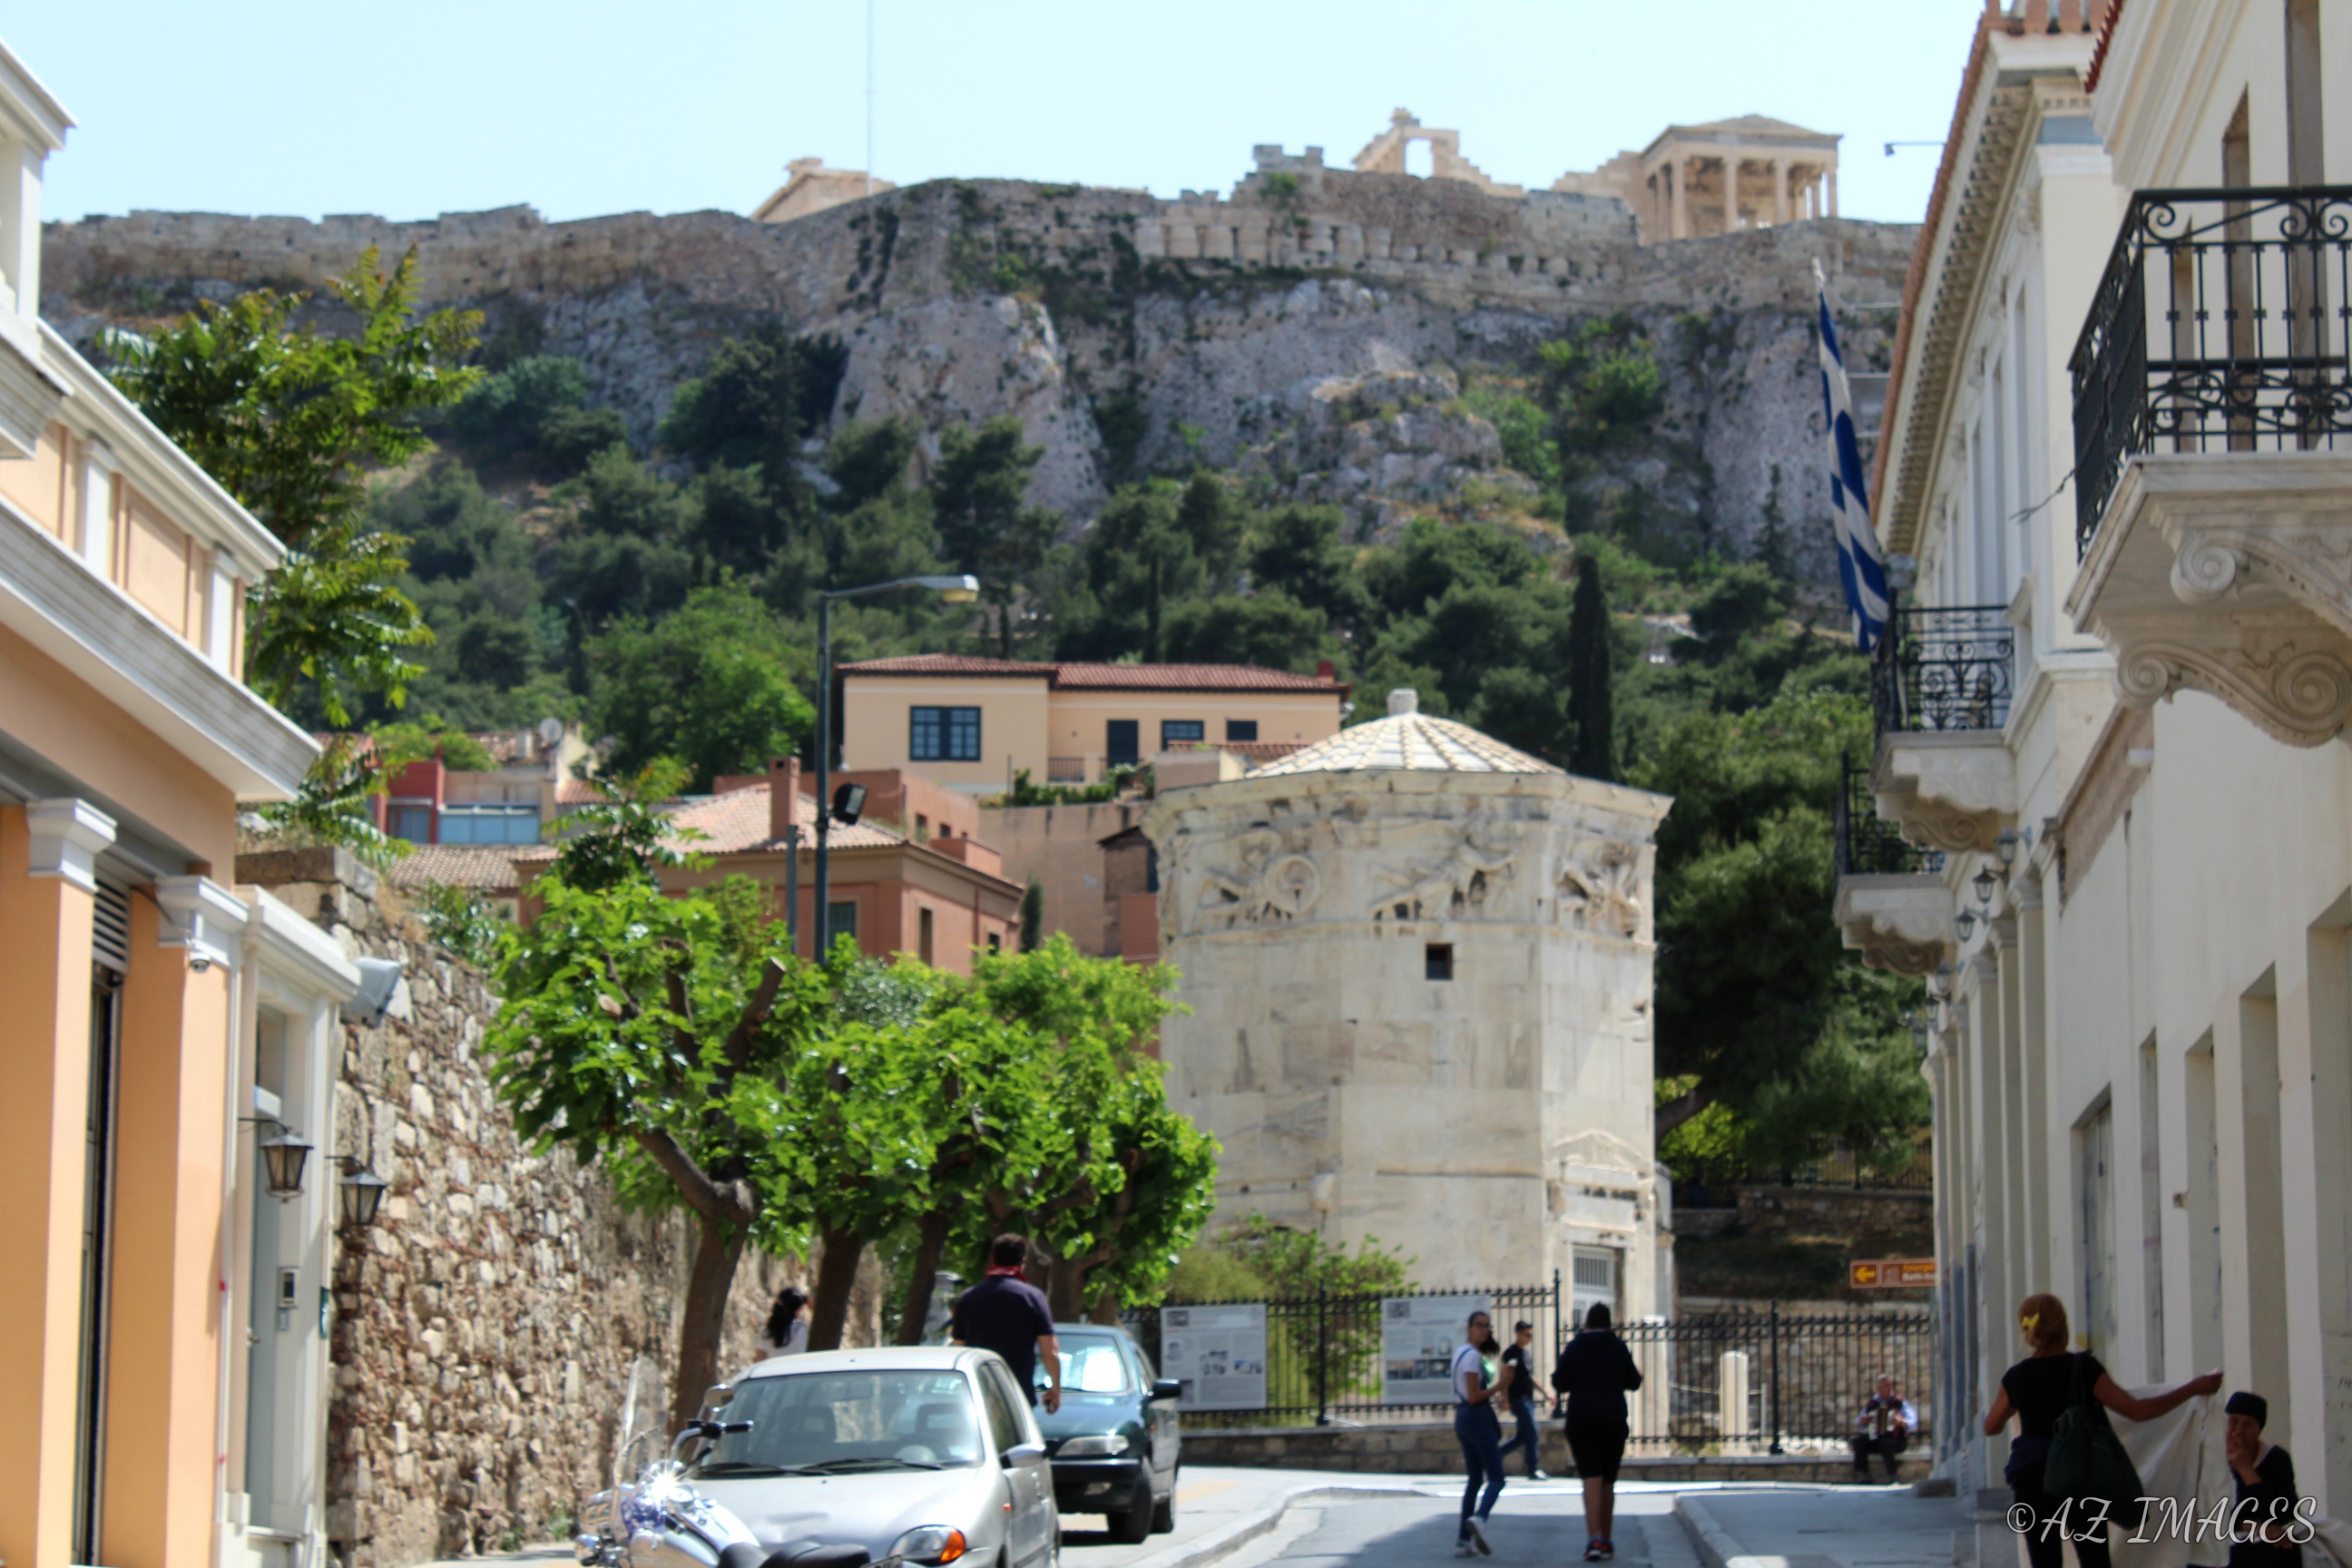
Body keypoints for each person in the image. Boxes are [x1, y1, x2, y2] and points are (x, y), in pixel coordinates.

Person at [1982, 1292, 2221, 1568]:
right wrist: (2193, 1389)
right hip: (2081, 1478)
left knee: (2044, 1563)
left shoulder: (2016, 1376)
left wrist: (2017, 1406)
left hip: (2032, 1480)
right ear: (2063, 1327)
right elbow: (2136, 1410)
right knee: (2095, 1562)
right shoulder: (2083, 1367)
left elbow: (1991, 1426)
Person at [1552, 1304, 1642, 1563]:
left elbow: (1560, 1382)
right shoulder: (1617, 1346)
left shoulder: (1575, 1346)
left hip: (1581, 1418)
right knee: (1608, 1481)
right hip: (1612, 1418)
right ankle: (1606, 1540)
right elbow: (1634, 1381)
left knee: (1590, 1476)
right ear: (1610, 1323)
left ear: (1587, 1323)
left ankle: (1593, 1539)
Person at [948, 1234, 1062, 1414]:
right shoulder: (1032, 1297)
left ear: (992, 1259)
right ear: (1023, 1261)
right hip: (1017, 1394)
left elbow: (959, 1348)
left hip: (978, 1393)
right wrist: (1055, 1389)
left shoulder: (969, 1298)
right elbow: (1050, 1351)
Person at [1450, 1309, 1509, 1557]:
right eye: (1479, 1325)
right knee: (1496, 1478)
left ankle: (1464, 1541)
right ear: (1469, 1328)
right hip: (1475, 1418)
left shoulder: (1459, 1353)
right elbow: (1474, 1396)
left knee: (1475, 1479)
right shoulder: (1472, 1357)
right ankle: (1480, 1518)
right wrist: (1499, 1386)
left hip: (1462, 1418)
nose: (1484, 1330)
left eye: (1487, 1326)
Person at [2225, 1391, 2299, 1568]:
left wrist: (2247, 1472)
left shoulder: (2276, 1459)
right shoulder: (2211, 1457)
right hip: (2223, 1539)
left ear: (2259, 1430)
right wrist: (2257, 1528)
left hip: (2264, 1539)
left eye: (2248, 1424)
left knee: (2285, 1550)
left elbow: (2283, 1513)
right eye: (2233, 1421)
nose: (2238, 1431)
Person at [1498, 1321, 1549, 1480]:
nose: (1529, 1338)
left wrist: (1545, 1393)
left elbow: (1530, 1378)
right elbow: (1506, 1376)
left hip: (1528, 1399)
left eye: (1531, 1335)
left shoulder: (1526, 1354)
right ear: (1518, 1334)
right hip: (1517, 1400)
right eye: (1527, 1335)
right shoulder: (1511, 1354)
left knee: (1522, 1437)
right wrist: (1505, 1399)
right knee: (1532, 1432)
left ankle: (1493, 1457)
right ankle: (1532, 1468)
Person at [1849, 1374, 1916, 1483]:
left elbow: (1913, 1422)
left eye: (1890, 1385)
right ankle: (1864, 1475)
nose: (1889, 1388)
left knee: (1886, 1442)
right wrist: (1863, 1420)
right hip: (1876, 1439)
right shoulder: (1872, 1404)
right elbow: (1858, 1422)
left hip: (1897, 1440)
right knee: (1859, 1441)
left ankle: (1893, 1475)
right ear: (1878, 1388)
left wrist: (1901, 1422)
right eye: (1886, 1386)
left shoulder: (1899, 1403)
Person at [756, 1286, 810, 1360]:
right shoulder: (805, 1331)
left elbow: (759, 1361)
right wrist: (809, 1303)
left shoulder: (766, 1333)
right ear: (797, 1311)